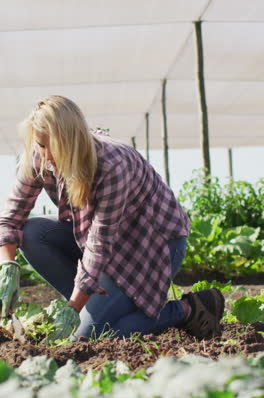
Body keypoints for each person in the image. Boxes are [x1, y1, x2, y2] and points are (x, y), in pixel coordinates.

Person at [0, 95, 224, 342]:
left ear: (71, 141)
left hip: (152, 245)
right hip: (101, 247)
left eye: (53, 145)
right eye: (41, 145)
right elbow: (12, 217)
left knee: (89, 338)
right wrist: (8, 265)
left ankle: (187, 309)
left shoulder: (111, 166)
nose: (47, 154)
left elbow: (98, 249)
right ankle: (94, 311)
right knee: (33, 234)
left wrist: (73, 308)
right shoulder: (40, 154)